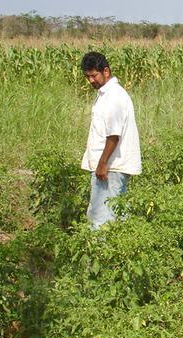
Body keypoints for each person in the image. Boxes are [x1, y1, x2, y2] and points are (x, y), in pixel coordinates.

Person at [80, 52, 141, 229]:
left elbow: (113, 135)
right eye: (87, 76)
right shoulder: (107, 94)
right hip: (110, 166)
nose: (91, 80)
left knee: (100, 219)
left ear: (106, 71)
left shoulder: (113, 96)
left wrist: (102, 163)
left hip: (110, 168)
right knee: (116, 217)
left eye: (94, 75)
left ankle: (100, 255)